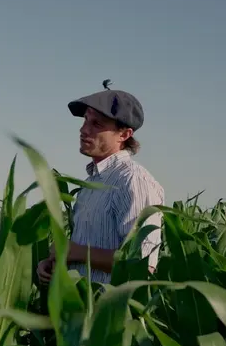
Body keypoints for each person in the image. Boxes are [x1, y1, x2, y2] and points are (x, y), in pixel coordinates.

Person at [37, 86, 164, 286]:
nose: (84, 129)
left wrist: (76, 252)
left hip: (109, 312)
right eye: (85, 120)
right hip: (80, 311)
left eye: (97, 123)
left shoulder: (133, 180)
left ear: (124, 135)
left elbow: (142, 263)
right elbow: (84, 253)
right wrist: (55, 262)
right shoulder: (91, 184)